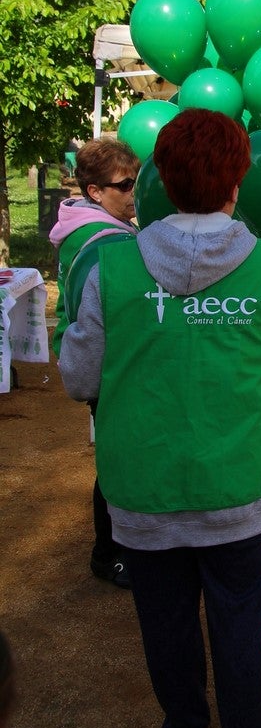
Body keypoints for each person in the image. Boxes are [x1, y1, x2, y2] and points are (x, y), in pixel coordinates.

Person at [58, 109, 261, 728]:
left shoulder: (108, 265)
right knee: (237, 624)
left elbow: (80, 377)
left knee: (163, 622)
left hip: (142, 488)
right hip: (236, 487)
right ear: (238, 180)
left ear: (160, 181)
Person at [49, 138, 141, 588]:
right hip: (105, 366)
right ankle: (109, 555)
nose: (134, 193)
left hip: (103, 363)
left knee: (118, 456)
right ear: (94, 192)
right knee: (116, 463)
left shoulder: (88, 228)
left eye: (137, 182)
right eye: (124, 185)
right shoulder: (99, 239)